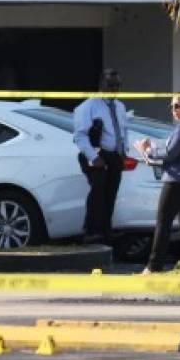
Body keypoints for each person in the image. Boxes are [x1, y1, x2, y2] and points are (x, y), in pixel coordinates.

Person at [135, 94, 180, 274]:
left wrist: (148, 150)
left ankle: (154, 266)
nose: (173, 110)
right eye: (172, 106)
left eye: (177, 105)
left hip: (178, 180)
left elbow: (170, 153)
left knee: (163, 221)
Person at [73, 68, 128, 244]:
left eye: (118, 85)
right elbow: (80, 136)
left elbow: (124, 131)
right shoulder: (88, 106)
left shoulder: (120, 106)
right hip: (96, 155)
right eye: (110, 85)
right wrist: (93, 157)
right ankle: (91, 230)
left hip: (115, 156)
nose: (114, 89)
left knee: (110, 194)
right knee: (98, 190)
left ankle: (106, 230)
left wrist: (124, 151)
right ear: (101, 85)